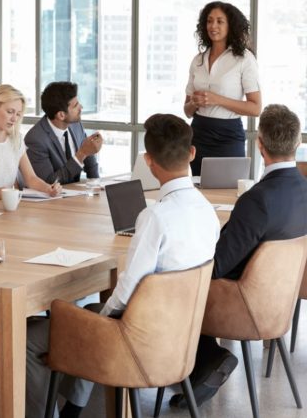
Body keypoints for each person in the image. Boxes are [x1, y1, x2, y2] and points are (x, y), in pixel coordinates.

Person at [26, 114, 221, 418]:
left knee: (30, 337)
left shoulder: (156, 217)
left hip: (137, 343)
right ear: (192, 153)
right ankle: (72, 410)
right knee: (90, 315)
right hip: (181, 338)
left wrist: (100, 324)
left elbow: (128, 289)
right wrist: (97, 320)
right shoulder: (208, 212)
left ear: (148, 160)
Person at [171, 104, 307, 409]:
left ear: (259, 143)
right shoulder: (304, 189)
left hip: (242, 302)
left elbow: (218, 266)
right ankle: (202, 361)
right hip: (279, 299)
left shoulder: (257, 199)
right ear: (297, 143)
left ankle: (207, 357)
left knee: (172, 282)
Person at [184, 1, 262, 176]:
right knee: (200, 188)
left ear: (230, 25)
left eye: (220, 21)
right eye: (210, 20)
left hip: (229, 136)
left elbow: (256, 108)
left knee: (229, 192)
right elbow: (187, 111)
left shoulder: (244, 59)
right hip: (198, 134)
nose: (213, 26)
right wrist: (195, 102)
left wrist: (216, 99)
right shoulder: (198, 60)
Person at [25, 81, 102, 185]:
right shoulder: (35, 139)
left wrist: (96, 186)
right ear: (61, 115)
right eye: (75, 105)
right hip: (52, 199)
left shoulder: (75, 124)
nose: (81, 107)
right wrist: (81, 154)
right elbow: (49, 183)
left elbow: (89, 158)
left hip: (76, 195)